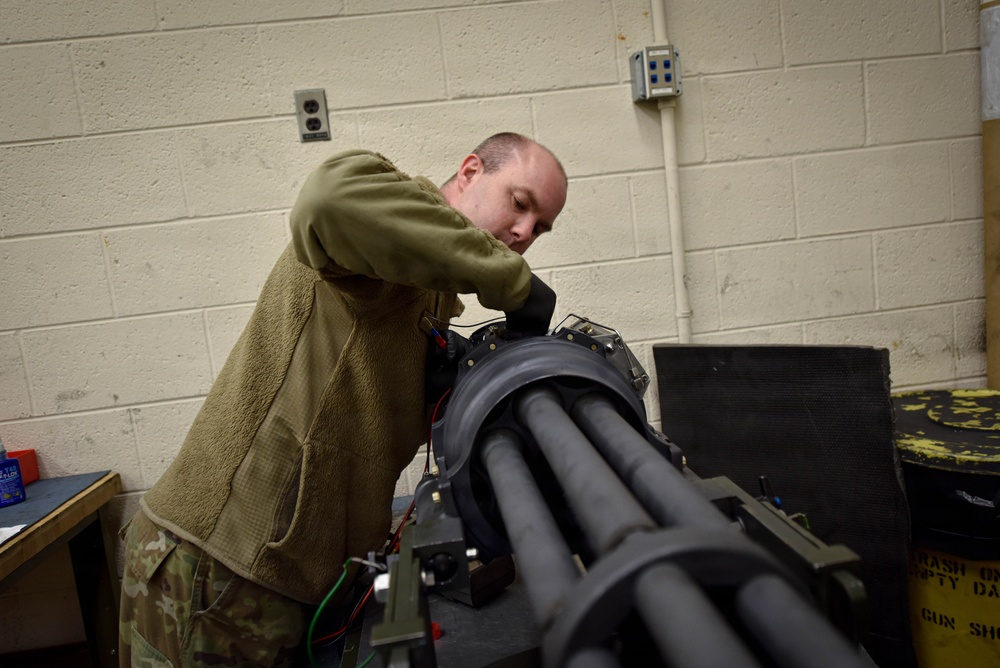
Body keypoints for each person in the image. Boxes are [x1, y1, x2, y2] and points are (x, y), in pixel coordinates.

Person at [118, 132, 568, 667]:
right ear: (471, 171)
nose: (523, 233)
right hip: (221, 571)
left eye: (540, 228)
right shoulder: (384, 225)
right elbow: (327, 200)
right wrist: (515, 283)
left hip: (286, 577)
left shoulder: (430, 286)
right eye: (520, 204)